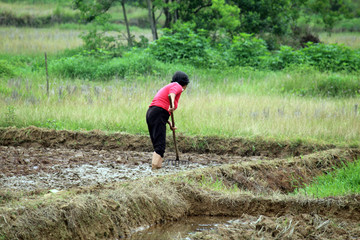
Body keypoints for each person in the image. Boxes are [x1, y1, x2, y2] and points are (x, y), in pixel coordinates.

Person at [146, 71, 189, 169]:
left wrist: (169, 123)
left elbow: (160, 110)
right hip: (158, 113)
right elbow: (171, 94)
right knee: (160, 146)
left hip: (152, 113)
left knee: (158, 145)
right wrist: (172, 104)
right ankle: (154, 171)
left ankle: (157, 169)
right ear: (185, 83)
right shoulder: (177, 86)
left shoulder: (169, 86)